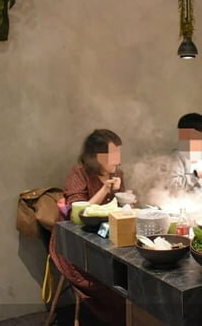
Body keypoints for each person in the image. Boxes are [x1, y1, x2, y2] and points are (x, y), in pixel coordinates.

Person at [49, 129, 126, 325]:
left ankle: (130, 317)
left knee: (127, 275)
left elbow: (118, 209)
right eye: (112, 154)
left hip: (104, 238)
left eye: (118, 152)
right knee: (107, 280)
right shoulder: (79, 173)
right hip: (73, 244)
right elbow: (79, 213)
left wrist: (119, 194)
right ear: (95, 156)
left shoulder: (117, 173)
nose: (117, 159)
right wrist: (106, 189)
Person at [168, 113, 202, 193]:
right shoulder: (177, 156)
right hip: (186, 200)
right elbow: (173, 185)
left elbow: (201, 182)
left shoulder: (197, 153)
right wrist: (197, 175)